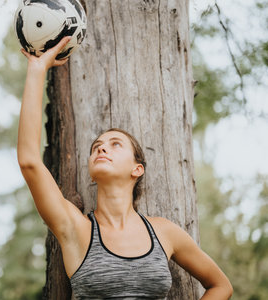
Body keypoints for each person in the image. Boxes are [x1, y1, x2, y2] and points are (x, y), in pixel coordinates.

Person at [17, 36, 233, 299]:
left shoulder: (164, 232)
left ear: (137, 169)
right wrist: (37, 69)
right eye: (96, 146)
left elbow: (221, 286)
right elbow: (29, 162)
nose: (101, 148)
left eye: (115, 144)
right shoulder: (76, 228)